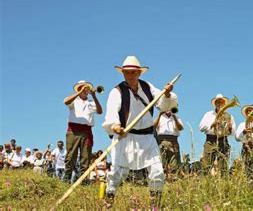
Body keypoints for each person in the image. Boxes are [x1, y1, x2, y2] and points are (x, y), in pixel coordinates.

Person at [102, 56, 177, 207]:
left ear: (139, 73)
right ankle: (107, 203)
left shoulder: (148, 87)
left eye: (133, 72)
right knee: (117, 173)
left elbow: (164, 104)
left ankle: (155, 205)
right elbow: (111, 114)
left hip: (147, 136)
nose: (130, 75)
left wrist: (167, 93)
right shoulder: (116, 92)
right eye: (127, 72)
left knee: (157, 171)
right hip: (125, 136)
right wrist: (116, 127)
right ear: (123, 73)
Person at [63, 80, 103, 183]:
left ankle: (83, 181)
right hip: (73, 131)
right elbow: (66, 101)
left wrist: (94, 96)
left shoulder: (91, 102)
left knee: (85, 157)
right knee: (71, 156)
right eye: (83, 88)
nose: (85, 90)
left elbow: (100, 111)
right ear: (79, 89)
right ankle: (66, 179)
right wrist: (78, 93)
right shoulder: (74, 101)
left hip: (86, 132)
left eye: (86, 88)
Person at [199, 94, 236, 174]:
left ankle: (224, 184)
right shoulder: (208, 114)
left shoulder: (229, 116)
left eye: (222, 102)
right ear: (215, 103)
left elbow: (233, 133)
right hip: (210, 140)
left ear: (224, 104)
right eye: (218, 102)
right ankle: (205, 184)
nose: (220, 104)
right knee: (206, 165)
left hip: (223, 140)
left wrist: (230, 128)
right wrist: (212, 125)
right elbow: (201, 127)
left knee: (223, 166)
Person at [153, 101, 183, 180]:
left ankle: (173, 180)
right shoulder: (161, 117)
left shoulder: (177, 117)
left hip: (173, 141)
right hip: (162, 141)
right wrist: (159, 114)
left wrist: (174, 117)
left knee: (174, 163)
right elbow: (153, 126)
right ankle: (163, 180)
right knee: (162, 163)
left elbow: (180, 128)